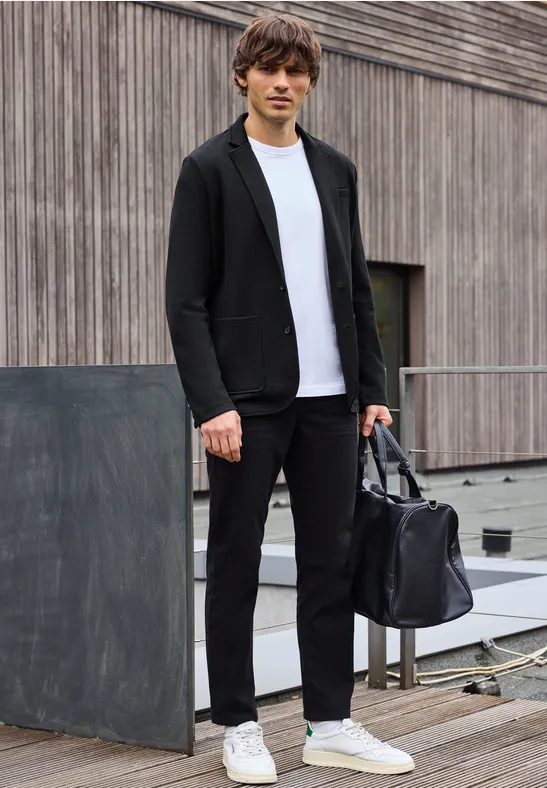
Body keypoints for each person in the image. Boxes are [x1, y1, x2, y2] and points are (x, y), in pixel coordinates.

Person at [165, 11, 414, 785]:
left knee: (329, 563)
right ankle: (238, 725)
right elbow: (185, 302)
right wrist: (211, 404)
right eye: (268, 69)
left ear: (308, 81)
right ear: (243, 76)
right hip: (246, 404)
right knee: (235, 561)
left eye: (295, 71)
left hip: (331, 403)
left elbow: (354, 287)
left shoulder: (334, 169)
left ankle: (329, 723)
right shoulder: (208, 168)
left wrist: (370, 389)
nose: (282, 83)